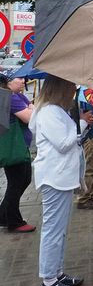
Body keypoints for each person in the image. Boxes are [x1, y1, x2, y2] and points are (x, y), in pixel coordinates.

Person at [30, 76, 93, 286]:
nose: (72, 91)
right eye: (70, 87)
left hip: (60, 177)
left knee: (59, 230)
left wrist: (80, 123)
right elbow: (64, 143)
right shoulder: (49, 112)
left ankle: (56, 273)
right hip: (54, 177)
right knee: (53, 231)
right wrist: (83, 123)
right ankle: (49, 280)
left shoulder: (53, 110)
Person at [0, 73, 35, 233]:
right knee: (17, 183)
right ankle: (14, 221)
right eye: (19, 78)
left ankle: (3, 215)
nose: (23, 81)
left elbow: (31, 109)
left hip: (18, 147)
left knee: (23, 180)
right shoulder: (11, 98)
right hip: (15, 149)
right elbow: (29, 117)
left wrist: (30, 108)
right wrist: (30, 109)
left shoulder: (15, 96)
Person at [76, 88, 93, 210]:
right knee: (90, 167)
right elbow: (89, 116)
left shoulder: (91, 90)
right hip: (90, 134)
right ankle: (83, 198)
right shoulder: (86, 92)